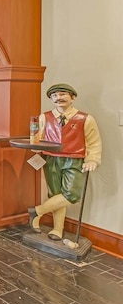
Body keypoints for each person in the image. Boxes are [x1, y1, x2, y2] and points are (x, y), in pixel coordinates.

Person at [28, 83, 102, 241]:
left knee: (71, 194)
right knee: (55, 194)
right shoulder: (44, 117)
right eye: (54, 96)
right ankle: (57, 229)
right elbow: (37, 137)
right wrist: (35, 146)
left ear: (72, 97)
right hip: (51, 159)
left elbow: (93, 142)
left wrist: (92, 159)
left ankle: (37, 211)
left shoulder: (85, 119)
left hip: (74, 160)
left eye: (62, 94)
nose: (58, 98)